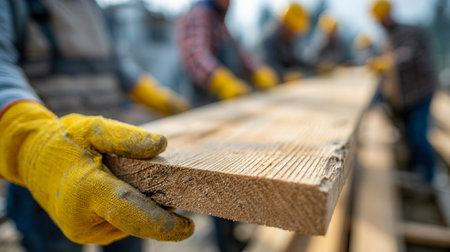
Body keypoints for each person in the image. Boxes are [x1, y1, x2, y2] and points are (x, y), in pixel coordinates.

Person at [0, 0, 194, 251]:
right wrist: (31, 143)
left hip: (119, 165)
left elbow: (118, 65)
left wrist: (158, 96)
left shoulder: (93, 8)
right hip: (50, 170)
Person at [368, 0, 437, 186]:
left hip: (420, 94)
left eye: (382, 18)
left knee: (418, 135)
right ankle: (415, 171)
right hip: (403, 99)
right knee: (408, 136)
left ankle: (429, 177)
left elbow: (409, 54)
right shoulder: (387, 40)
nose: (381, 22)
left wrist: (388, 61)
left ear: (388, 14)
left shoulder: (409, 31)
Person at [175, 0, 279, 107]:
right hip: (204, 104)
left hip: (221, 103)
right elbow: (196, 55)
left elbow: (237, 53)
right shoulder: (200, 13)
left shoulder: (218, 20)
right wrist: (220, 80)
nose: (229, 2)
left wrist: (257, 71)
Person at [258, 3, 315, 83]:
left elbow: (294, 60)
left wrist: (314, 67)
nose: (294, 34)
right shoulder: (269, 38)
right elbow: (268, 64)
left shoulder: (286, 40)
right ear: (285, 24)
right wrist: (284, 74)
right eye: (293, 29)